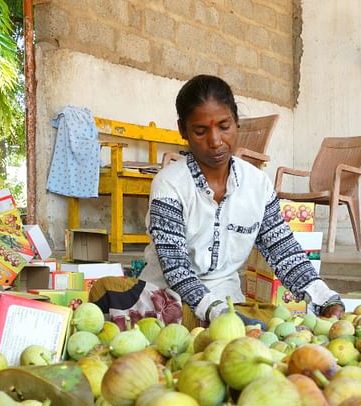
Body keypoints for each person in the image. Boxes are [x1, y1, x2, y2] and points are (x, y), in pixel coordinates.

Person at [92, 75, 344, 328]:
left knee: (278, 320)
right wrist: (214, 313)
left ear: (236, 122)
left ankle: (221, 326)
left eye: (224, 126)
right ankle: (210, 324)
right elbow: (175, 266)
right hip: (167, 301)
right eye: (200, 131)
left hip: (229, 303)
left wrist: (323, 296)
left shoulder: (257, 184)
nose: (215, 141)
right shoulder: (169, 184)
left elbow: (282, 249)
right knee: (106, 289)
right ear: (183, 130)